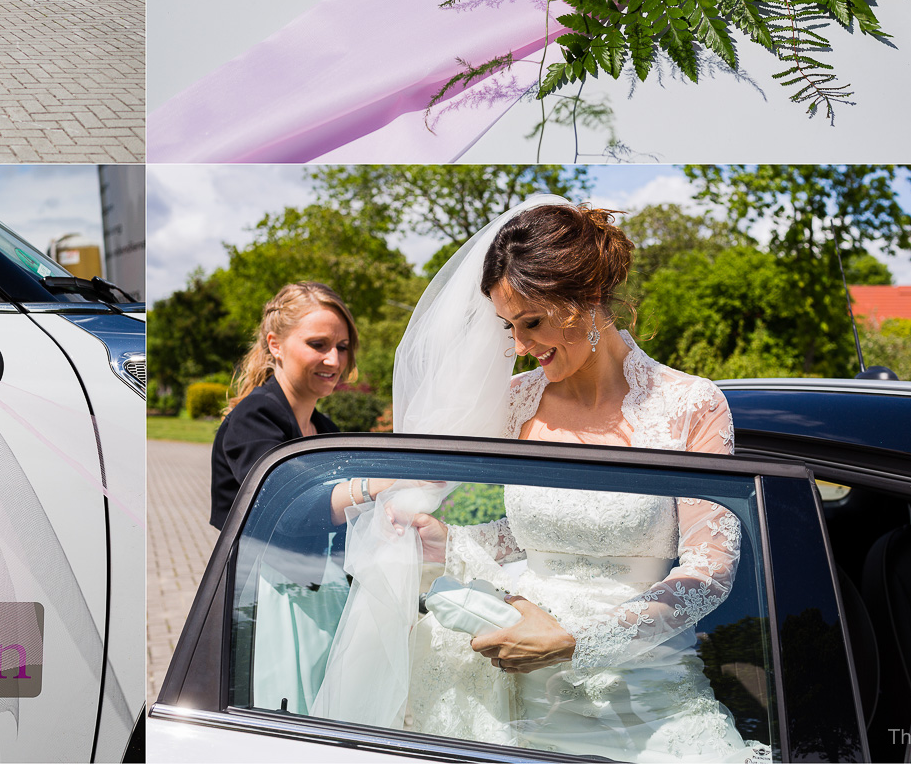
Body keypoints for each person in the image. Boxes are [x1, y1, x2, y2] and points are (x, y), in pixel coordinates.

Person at [311, 196, 769, 762]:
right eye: (509, 328)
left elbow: (710, 570)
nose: (522, 346)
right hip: (511, 675)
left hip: (640, 691)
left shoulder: (690, 405)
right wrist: (448, 541)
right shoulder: (515, 402)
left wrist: (578, 642)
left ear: (588, 296)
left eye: (532, 321)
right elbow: (534, 533)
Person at [209, 281, 360, 718]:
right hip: (265, 609)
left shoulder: (327, 431)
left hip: (324, 601)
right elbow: (288, 511)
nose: (334, 360)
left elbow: (344, 520)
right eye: (318, 344)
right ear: (275, 344)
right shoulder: (252, 419)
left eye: (343, 346)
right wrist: (371, 486)